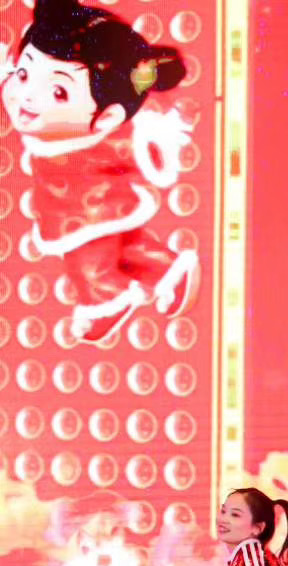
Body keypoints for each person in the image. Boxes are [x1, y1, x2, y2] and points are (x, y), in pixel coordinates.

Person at [1, 0, 199, 343]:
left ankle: (106, 301)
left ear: (107, 117)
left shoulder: (105, 140)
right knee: (125, 247)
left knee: (87, 263)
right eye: (24, 74)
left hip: (85, 213)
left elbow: (138, 148)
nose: (27, 97)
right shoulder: (38, 111)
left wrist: (157, 138)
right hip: (82, 207)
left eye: (58, 92)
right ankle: (168, 271)